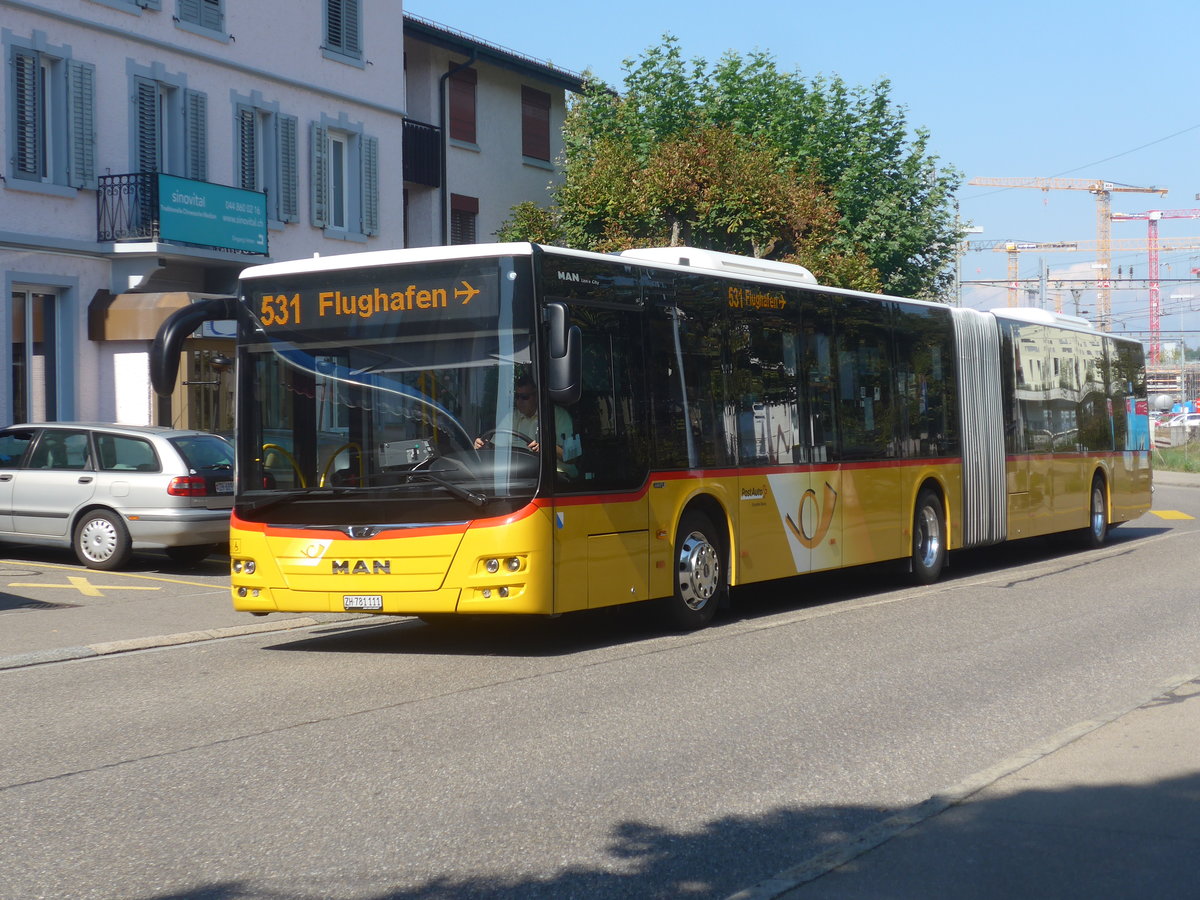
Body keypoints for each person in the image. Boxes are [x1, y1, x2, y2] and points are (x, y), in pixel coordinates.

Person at [475, 376, 578, 475]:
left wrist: (547, 447)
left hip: (555, 475)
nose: (519, 401)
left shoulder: (560, 416)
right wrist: (484, 446)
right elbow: (496, 447)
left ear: (537, 396)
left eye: (524, 397)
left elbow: (573, 457)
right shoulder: (512, 417)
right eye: (517, 396)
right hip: (519, 474)